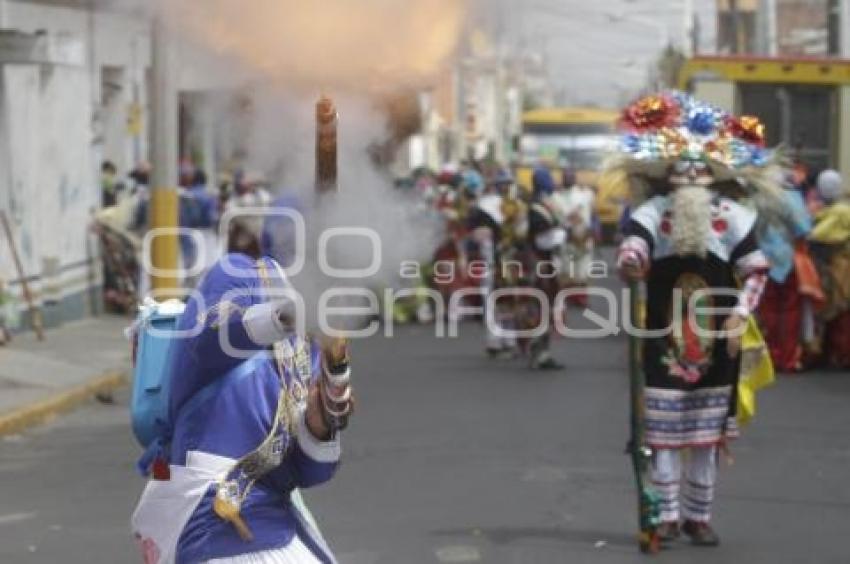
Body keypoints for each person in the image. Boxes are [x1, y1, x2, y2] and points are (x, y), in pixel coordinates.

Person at [131, 203, 354, 564]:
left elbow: (309, 471)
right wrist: (289, 313)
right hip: (212, 511)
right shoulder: (238, 273)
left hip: (270, 515)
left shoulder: (318, 338)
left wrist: (320, 422)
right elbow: (209, 339)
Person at [613, 92, 782, 546]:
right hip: (663, 335)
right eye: (681, 169)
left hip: (715, 340)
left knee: (706, 435)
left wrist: (739, 316)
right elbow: (635, 244)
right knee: (664, 431)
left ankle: (697, 516)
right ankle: (665, 514)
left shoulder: (734, 217)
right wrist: (631, 259)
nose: (690, 176)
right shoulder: (653, 213)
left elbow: (755, 271)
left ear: (713, 175)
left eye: (699, 169)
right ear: (666, 177)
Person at [756, 174, 822, 372]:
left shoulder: (758, 196)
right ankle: (788, 357)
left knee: (767, 309)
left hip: (763, 258)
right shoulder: (791, 197)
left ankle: (770, 356)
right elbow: (802, 228)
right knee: (790, 310)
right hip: (788, 258)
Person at [522, 166, 566, 370]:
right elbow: (542, 239)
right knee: (541, 308)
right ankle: (538, 352)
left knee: (546, 308)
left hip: (547, 263)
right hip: (540, 264)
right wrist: (560, 235)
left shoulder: (544, 205)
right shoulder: (536, 209)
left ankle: (542, 352)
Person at [809, 169, 850, 368]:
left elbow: (817, 234)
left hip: (839, 263)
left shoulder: (840, 211)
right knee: (829, 310)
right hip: (829, 263)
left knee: (840, 309)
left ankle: (839, 354)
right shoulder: (832, 209)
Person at [549, 168, 596, 308]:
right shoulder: (555, 196)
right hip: (566, 238)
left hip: (582, 238)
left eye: (571, 177)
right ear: (562, 179)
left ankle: (580, 298)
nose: (568, 179)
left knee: (582, 268)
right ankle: (568, 297)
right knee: (565, 268)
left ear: (575, 179)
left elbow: (592, 207)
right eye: (566, 177)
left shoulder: (585, 194)